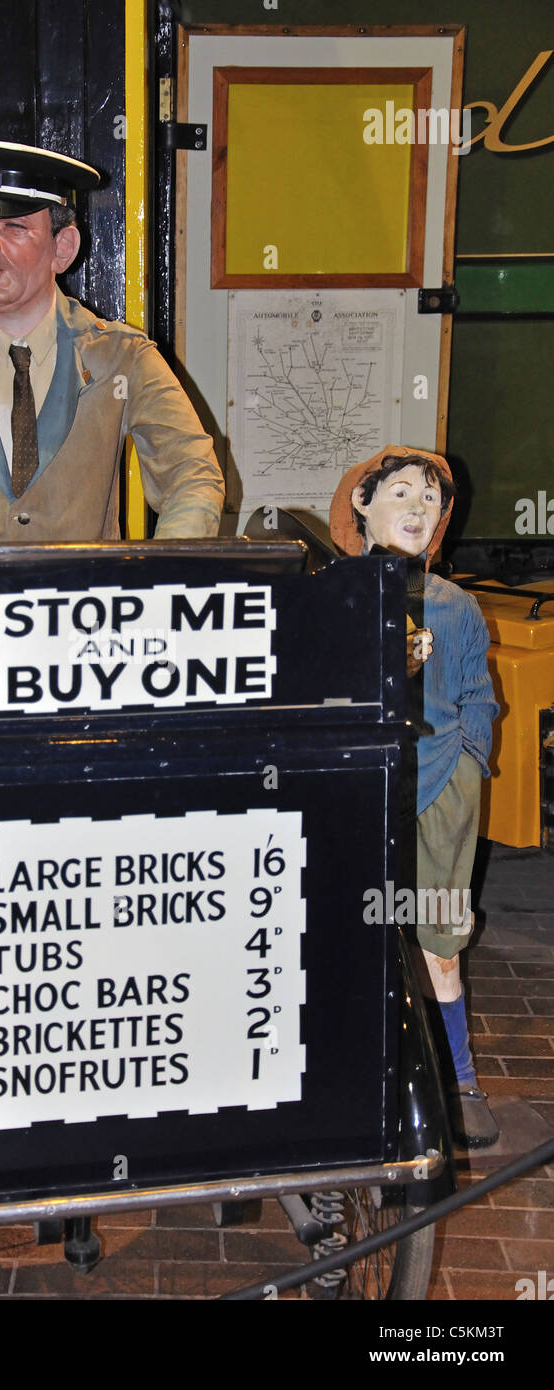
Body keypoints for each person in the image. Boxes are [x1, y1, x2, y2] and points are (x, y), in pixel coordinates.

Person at [0, 139, 225, 568]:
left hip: (84, 618)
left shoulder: (121, 357)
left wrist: (157, 583)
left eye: (13, 228)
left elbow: (193, 474)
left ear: (63, 248)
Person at [329, 445, 501, 1148]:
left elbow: (476, 699)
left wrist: (461, 772)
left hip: (433, 796)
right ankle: (343, 1076)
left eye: (429, 499)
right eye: (400, 491)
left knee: (436, 946)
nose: (417, 507)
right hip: (354, 797)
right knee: (347, 936)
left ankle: (458, 1079)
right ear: (361, 504)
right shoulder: (332, 592)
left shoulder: (453, 607)